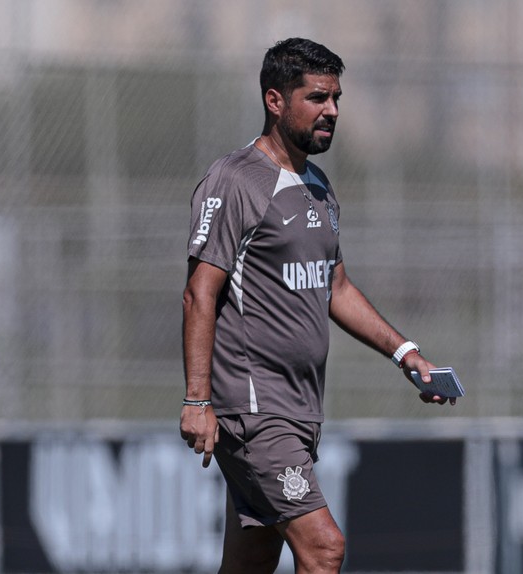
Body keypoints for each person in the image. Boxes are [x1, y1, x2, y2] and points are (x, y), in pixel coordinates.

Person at [179, 38, 456, 574]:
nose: (331, 111)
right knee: (324, 547)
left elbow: (337, 288)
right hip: (255, 410)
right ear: (275, 101)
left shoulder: (319, 186)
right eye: (317, 98)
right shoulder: (236, 180)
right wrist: (197, 399)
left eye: (336, 98)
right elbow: (199, 293)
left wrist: (407, 354)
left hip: (300, 410)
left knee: (252, 560)